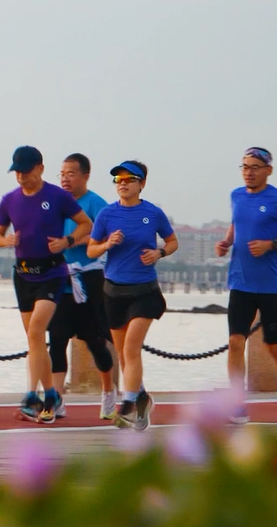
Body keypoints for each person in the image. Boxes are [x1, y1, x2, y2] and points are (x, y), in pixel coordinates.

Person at [0, 145, 93, 424]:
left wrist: (67, 241)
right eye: (17, 172)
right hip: (23, 274)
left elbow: (86, 224)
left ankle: (37, 396)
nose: (21, 177)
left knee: (37, 331)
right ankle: (46, 395)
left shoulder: (58, 196)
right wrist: (6, 241)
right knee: (33, 340)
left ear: (40, 169)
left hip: (51, 273)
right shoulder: (9, 200)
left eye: (26, 171)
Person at [214, 146, 277, 427]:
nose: (249, 172)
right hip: (240, 282)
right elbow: (236, 223)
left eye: (255, 167)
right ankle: (237, 402)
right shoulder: (236, 196)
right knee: (235, 342)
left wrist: (270, 244)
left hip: (270, 286)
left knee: (273, 345)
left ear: (268, 170)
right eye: (244, 167)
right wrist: (227, 242)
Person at [87, 160, 178, 431]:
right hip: (114, 292)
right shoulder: (106, 214)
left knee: (131, 348)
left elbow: (172, 241)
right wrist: (107, 244)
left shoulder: (153, 213)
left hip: (144, 292)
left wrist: (159, 253)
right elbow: (91, 250)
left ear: (142, 184)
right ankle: (141, 399)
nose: (123, 184)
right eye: (119, 179)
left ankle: (127, 405)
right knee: (123, 354)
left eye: (130, 179)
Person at [48, 153, 117, 420]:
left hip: (89, 279)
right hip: (59, 278)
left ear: (86, 176)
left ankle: (108, 391)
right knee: (56, 341)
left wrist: (73, 241)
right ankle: (56, 400)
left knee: (95, 342)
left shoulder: (96, 203)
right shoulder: (55, 202)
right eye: (62, 174)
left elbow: (107, 236)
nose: (65, 179)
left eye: (71, 174)